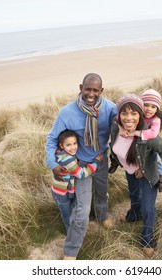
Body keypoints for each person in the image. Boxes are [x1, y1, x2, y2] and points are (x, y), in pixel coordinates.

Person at [46, 73, 117, 260]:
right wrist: (53, 164)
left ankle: (102, 217)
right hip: (80, 166)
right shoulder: (67, 112)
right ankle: (71, 252)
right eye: (88, 89)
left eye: (96, 90)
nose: (91, 93)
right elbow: (52, 139)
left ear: (101, 91)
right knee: (83, 209)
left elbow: (125, 123)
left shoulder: (110, 108)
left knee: (102, 192)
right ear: (80, 88)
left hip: (101, 159)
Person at [109, 93, 162, 257]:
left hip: (148, 173)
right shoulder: (116, 127)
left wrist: (144, 169)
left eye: (134, 113)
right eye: (124, 113)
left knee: (148, 208)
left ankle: (147, 239)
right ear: (119, 115)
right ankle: (134, 214)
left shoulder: (147, 135)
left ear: (140, 114)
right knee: (134, 195)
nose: (128, 118)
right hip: (129, 171)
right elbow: (113, 145)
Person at [110, 89, 162, 192]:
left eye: (153, 107)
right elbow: (116, 119)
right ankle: (114, 160)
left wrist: (135, 133)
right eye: (146, 105)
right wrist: (121, 128)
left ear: (157, 109)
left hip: (148, 141)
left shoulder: (155, 120)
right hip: (134, 150)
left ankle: (161, 177)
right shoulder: (137, 114)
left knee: (156, 160)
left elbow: (153, 134)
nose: (149, 109)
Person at [51, 129, 103, 232]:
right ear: (62, 146)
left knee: (73, 208)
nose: (73, 147)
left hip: (68, 189)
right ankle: (70, 232)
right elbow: (81, 174)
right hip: (62, 192)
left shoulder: (62, 153)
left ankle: (74, 226)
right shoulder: (67, 159)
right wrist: (95, 163)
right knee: (67, 214)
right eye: (68, 145)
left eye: (74, 143)